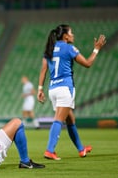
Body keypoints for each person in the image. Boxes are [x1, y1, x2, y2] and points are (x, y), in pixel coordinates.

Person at [37, 24, 106, 160]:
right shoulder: (69, 48)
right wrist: (96, 49)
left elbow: (43, 70)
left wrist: (40, 89)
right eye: (71, 33)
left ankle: (81, 149)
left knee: (70, 119)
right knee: (58, 120)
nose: (73, 35)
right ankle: (49, 150)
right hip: (64, 89)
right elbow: (87, 63)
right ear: (65, 36)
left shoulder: (49, 49)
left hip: (53, 89)